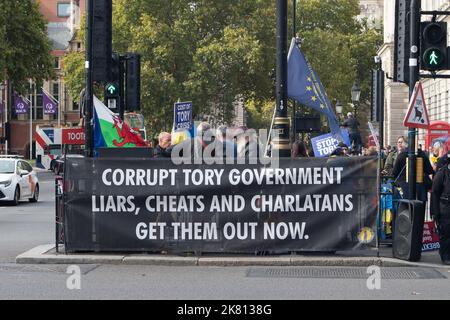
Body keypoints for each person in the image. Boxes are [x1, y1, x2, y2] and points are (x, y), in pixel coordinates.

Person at [431, 150, 450, 265]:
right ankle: (445, 256)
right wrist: (435, 212)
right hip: (445, 208)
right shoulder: (442, 173)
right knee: (446, 233)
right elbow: (435, 193)